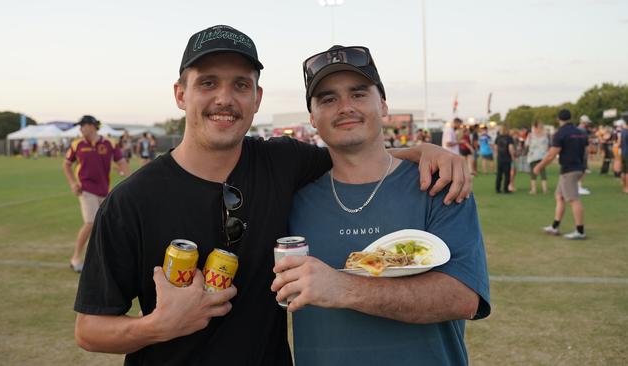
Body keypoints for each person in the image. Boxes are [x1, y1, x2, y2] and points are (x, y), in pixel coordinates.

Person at [72, 25, 472, 366]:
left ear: (257, 99)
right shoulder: (131, 202)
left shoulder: (281, 162)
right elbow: (90, 329)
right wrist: (157, 326)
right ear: (181, 94)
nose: (224, 98)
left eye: (240, 85)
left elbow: (352, 152)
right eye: (207, 82)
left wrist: (427, 152)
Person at [271, 45, 490, 366]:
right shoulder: (294, 198)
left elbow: (463, 298)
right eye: (328, 99)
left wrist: (344, 288)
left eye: (358, 94)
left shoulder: (439, 183)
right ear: (312, 118)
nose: (345, 107)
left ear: (383, 105)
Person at [62, 115, 130, 272]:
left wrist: (129, 182)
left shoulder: (109, 143)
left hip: (104, 190)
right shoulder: (76, 144)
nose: (80, 128)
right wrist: (73, 183)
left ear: (92, 126)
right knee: (91, 223)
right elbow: (66, 165)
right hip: (85, 189)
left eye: (83, 125)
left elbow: (122, 162)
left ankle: (104, 260)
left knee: (105, 225)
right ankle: (76, 258)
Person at [534, 109, 588, 239]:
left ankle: (580, 231)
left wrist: (539, 166)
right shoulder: (580, 132)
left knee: (573, 199)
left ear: (559, 119)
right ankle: (554, 226)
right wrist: (584, 169)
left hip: (569, 169)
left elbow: (552, 155)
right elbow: (586, 153)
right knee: (559, 196)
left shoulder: (560, 134)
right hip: (577, 168)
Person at [526, 121, 549, 194]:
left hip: (533, 156)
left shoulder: (530, 135)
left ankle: (534, 190)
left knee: (533, 174)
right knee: (543, 173)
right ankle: (545, 189)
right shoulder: (545, 135)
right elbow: (547, 145)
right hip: (542, 156)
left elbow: (526, 144)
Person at [494, 124, 515, 193]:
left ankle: (497, 188)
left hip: (500, 158)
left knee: (499, 174)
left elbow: (495, 148)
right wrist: (512, 156)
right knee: (507, 175)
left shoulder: (498, 137)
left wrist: (497, 155)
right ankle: (506, 189)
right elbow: (510, 148)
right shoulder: (509, 138)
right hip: (507, 158)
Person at [577, 115, 592, 195]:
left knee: (581, 170)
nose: (588, 124)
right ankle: (578, 187)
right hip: (582, 153)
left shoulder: (576, 129)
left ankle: (578, 187)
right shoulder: (583, 131)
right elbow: (585, 144)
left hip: (578, 153)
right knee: (582, 170)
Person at [620, 121, 628, 193]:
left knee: (624, 171)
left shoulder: (623, 131)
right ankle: (626, 188)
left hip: (623, 153)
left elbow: (620, 143)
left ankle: (624, 187)